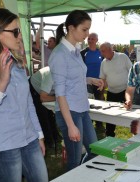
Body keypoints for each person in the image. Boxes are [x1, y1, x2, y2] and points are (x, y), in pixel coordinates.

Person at [0, 7, 48, 182]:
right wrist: (2, 82)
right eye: (15, 31)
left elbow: (28, 102)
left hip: (29, 139)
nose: (20, 36)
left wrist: (39, 134)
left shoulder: (17, 61)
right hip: (3, 147)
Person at [49, 10, 104, 171]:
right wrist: (70, 125)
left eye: (88, 29)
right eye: (84, 29)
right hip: (70, 112)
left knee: (94, 150)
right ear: (71, 28)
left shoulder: (76, 49)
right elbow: (60, 93)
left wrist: (90, 80)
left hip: (82, 108)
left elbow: (72, 79)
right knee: (74, 160)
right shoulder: (60, 54)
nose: (87, 34)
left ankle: (81, 178)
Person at [99, 42, 132, 137]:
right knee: (110, 116)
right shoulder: (103, 63)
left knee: (130, 114)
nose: (102, 53)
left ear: (110, 49)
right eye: (101, 51)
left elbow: (132, 71)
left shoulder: (122, 57)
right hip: (111, 92)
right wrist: (101, 85)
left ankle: (135, 134)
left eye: (103, 51)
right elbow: (103, 78)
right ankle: (109, 135)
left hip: (125, 91)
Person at [29, 67, 60, 147]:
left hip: (45, 91)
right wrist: (58, 98)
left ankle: (55, 136)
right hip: (33, 89)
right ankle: (48, 141)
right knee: (43, 115)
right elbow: (43, 98)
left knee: (50, 113)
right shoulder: (50, 75)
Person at [80, 33, 105, 129]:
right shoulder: (83, 53)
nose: (90, 40)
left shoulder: (100, 52)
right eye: (89, 38)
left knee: (100, 101)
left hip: (99, 81)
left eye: (92, 39)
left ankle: (99, 124)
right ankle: (89, 122)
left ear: (97, 40)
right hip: (87, 81)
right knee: (89, 102)